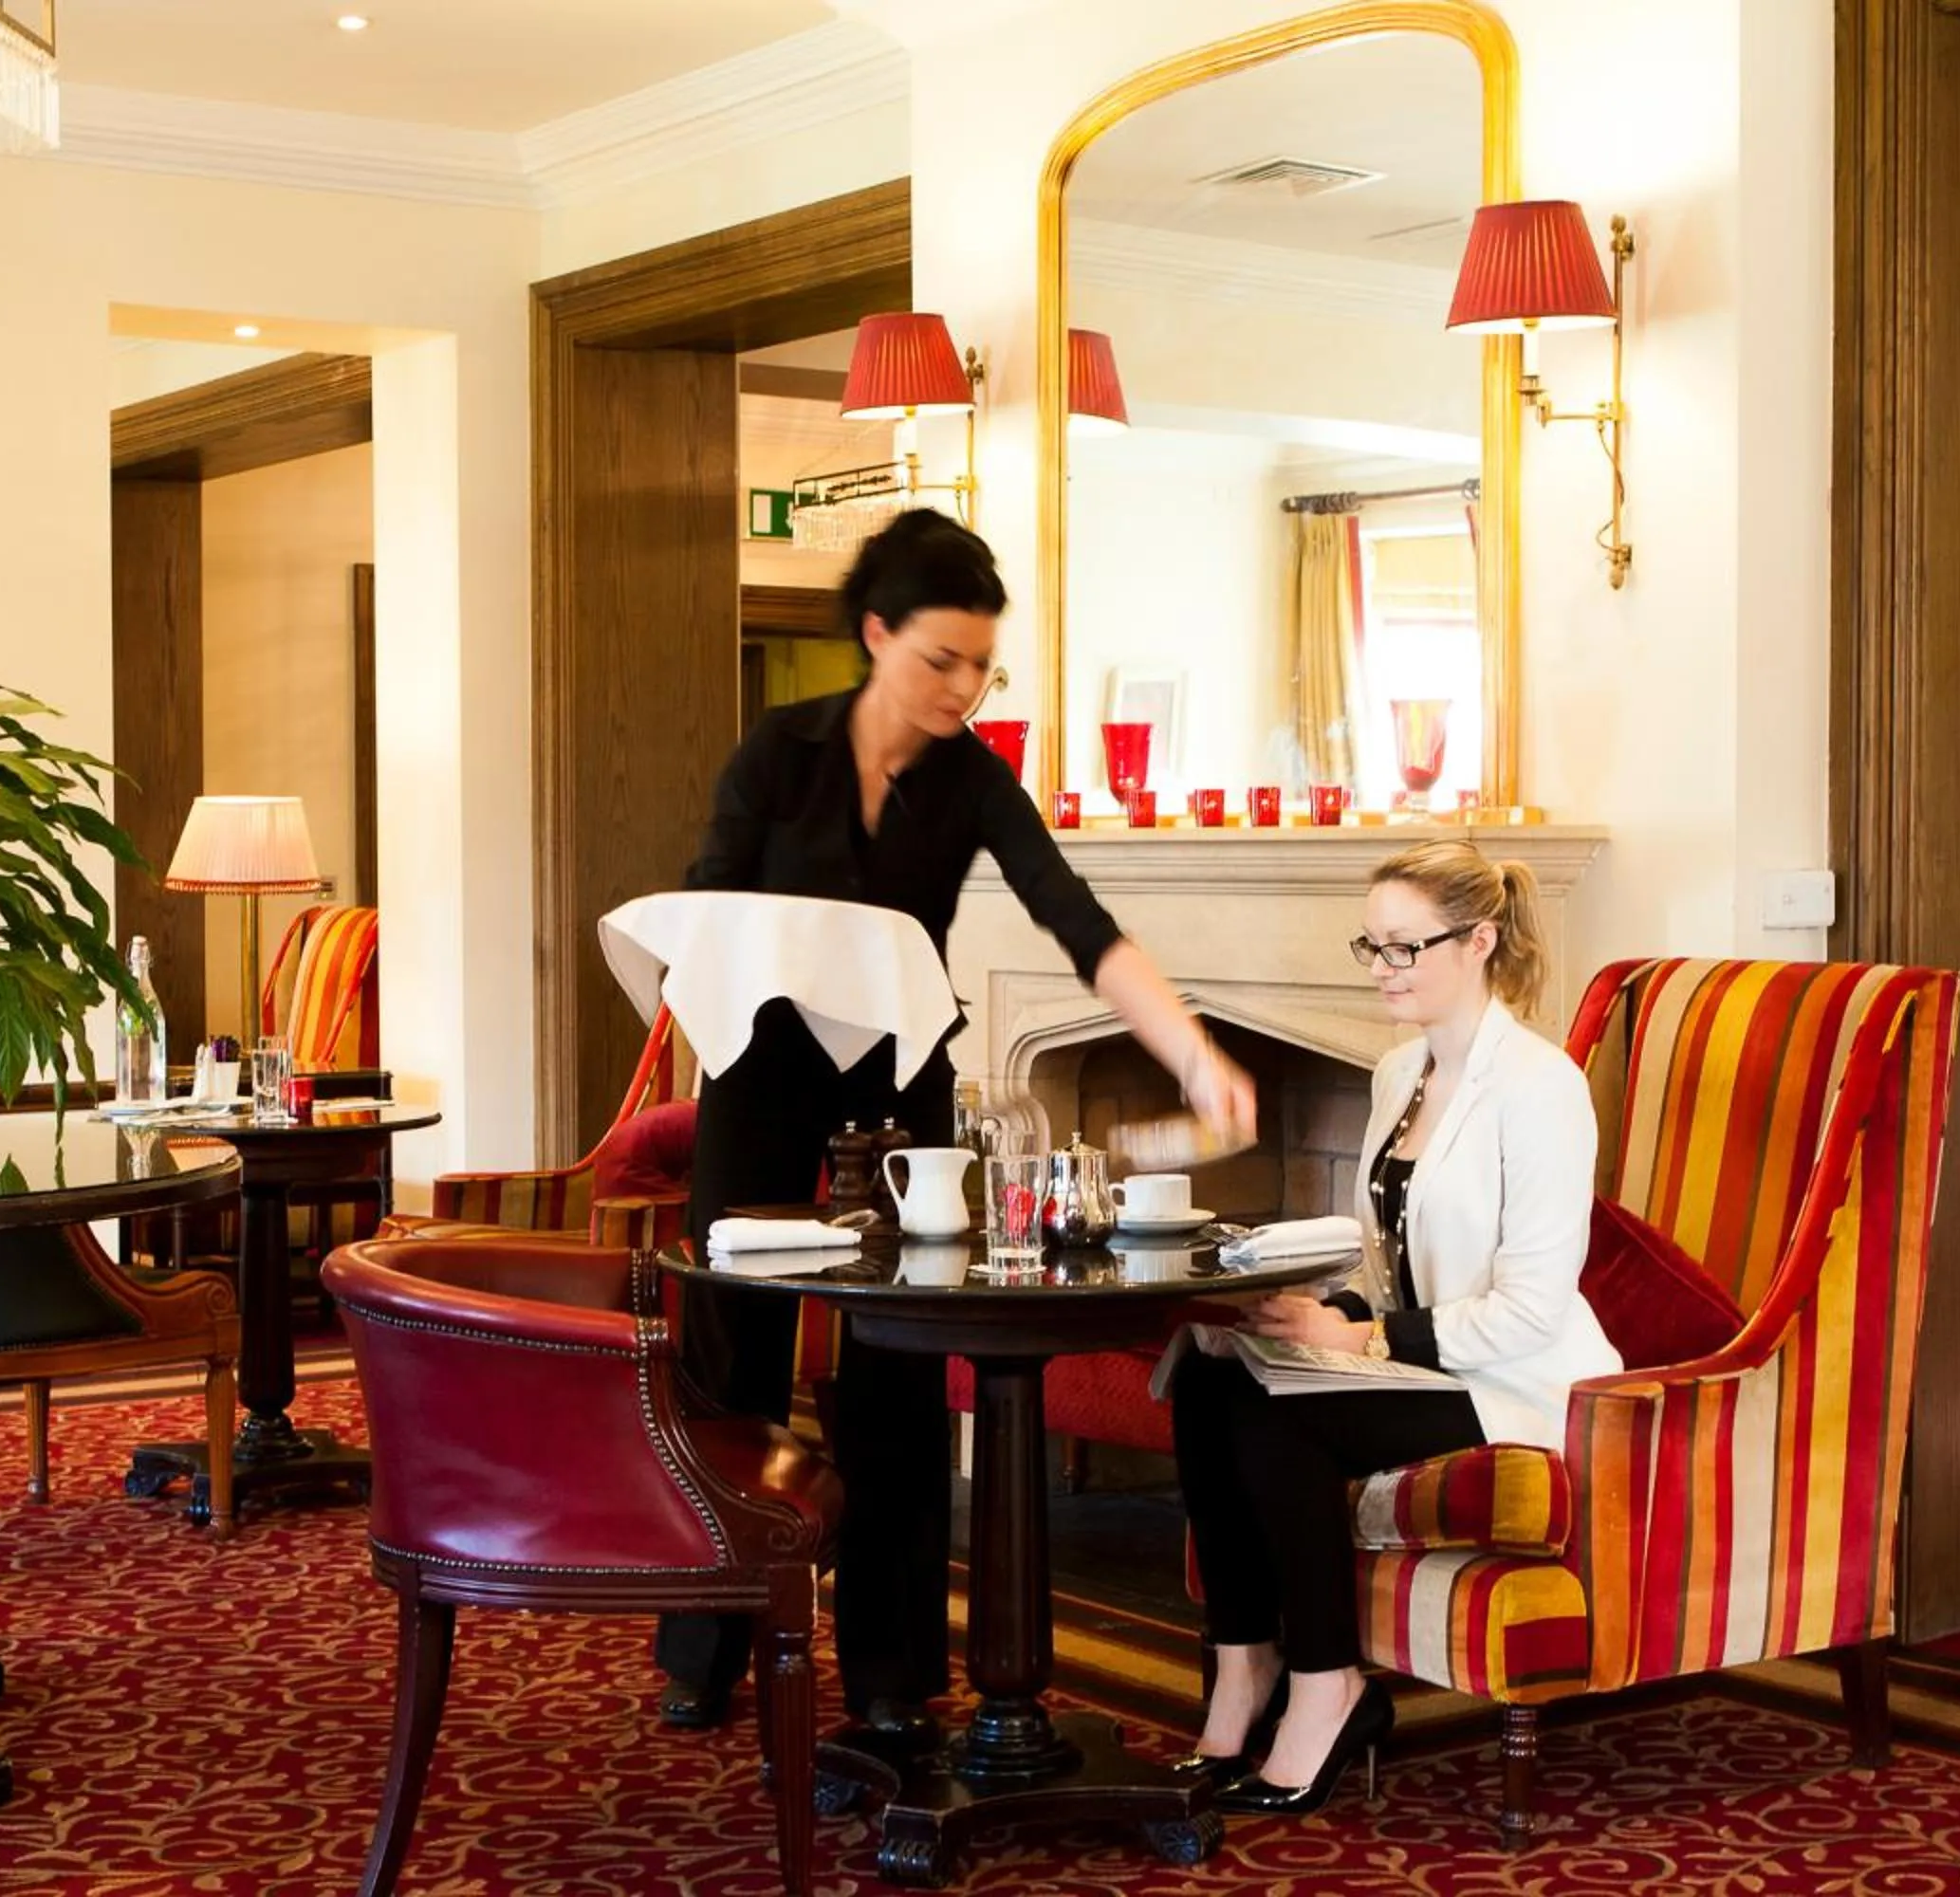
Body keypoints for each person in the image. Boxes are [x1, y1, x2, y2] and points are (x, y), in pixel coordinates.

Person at [656, 507, 1257, 1741]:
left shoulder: (976, 778)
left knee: (897, 1374)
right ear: (876, 635)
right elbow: (706, 914)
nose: (963, 687)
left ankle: (889, 1678)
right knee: (732, 1370)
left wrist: (1193, 1052)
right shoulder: (780, 752)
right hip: (761, 1085)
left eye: (982, 664)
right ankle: (706, 1644)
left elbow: (1075, 921)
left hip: (898, 1095)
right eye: (942, 659)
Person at [1165, 838, 1615, 1814]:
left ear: (1481, 939)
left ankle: (1330, 1687)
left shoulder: (1541, 1088)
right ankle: (1245, 1666)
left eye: (1405, 947)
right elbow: (1392, 1261)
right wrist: (1310, 1309)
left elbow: (1533, 1305)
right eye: (1371, 945)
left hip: (1517, 1380)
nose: (1381, 968)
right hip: (1427, 1356)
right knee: (1210, 1370)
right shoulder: (1398, 1069)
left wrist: (1358, 1343)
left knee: (1280, 1413)